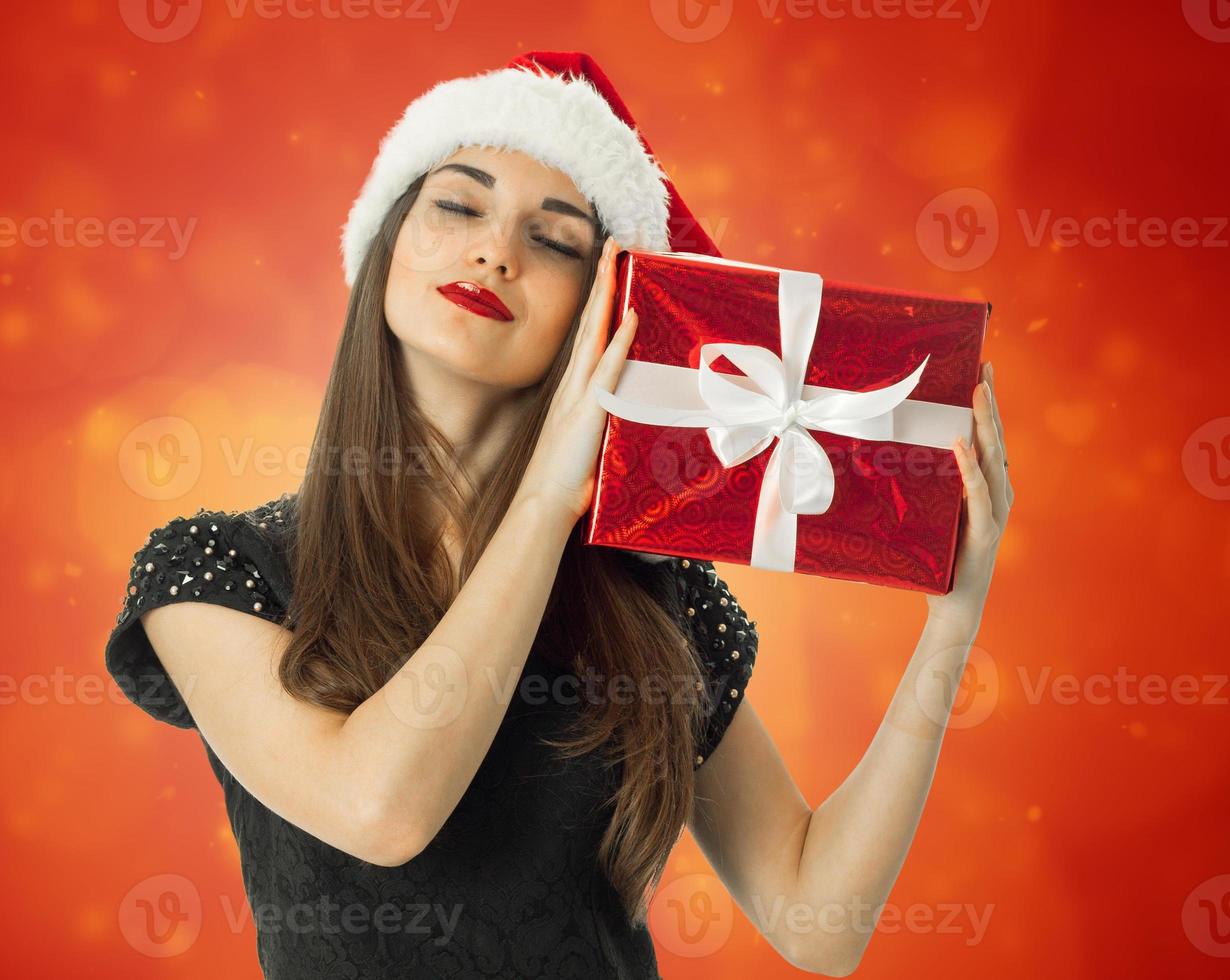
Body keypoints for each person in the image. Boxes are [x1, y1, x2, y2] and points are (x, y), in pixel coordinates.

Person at [104, 51, 1013, 979]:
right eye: (458, 206)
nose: (496, 251)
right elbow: (381, 811)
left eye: (556, 241)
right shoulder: (220, 571)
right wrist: (547, 496)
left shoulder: (652, 600)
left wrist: (952, 620)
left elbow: (820, 922)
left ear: (601, 314)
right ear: (385, 243)